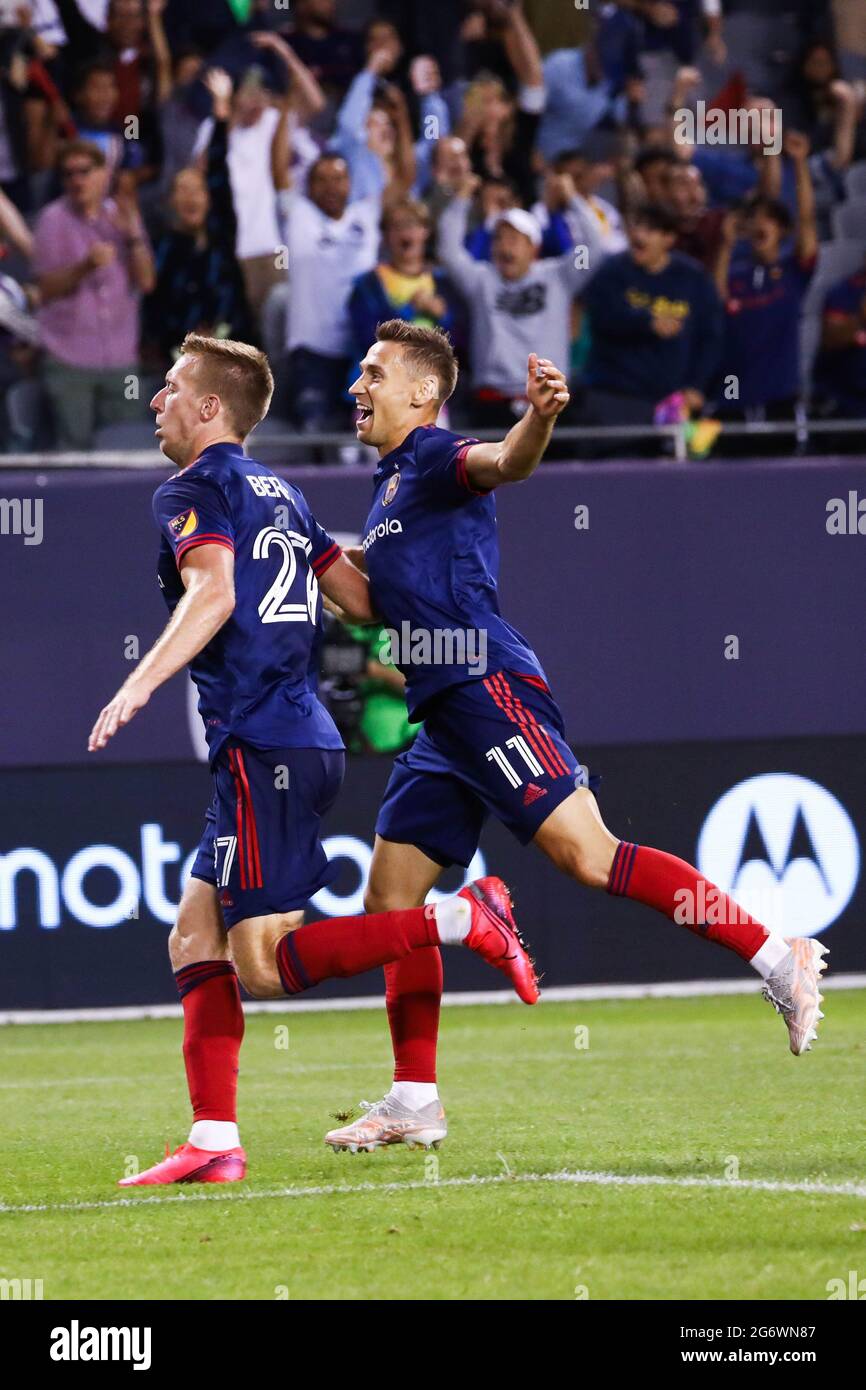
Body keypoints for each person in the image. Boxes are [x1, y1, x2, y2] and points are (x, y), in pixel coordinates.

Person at [322, 318, 828, 1153]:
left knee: (590, 856)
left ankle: (778, 956)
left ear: (424, 393)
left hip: (486, 687)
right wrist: (305, 545)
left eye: (374, 374)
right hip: (440, 713)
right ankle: (415, 1100)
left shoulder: (440, 456)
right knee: (390, 903)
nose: (356, 387)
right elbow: (371, 605)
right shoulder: (386, 490)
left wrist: (542, 419)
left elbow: (507, 462)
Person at [87, 331, 538, 1185]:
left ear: (211, 407)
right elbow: (365, 603)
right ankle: (214, 1141)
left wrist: (140, 683)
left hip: (266, 746)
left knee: (263, 965)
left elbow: (214, 591)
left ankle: (462, 917)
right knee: (195, 937)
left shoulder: (190, 491)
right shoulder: (284, 494)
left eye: (171, 387)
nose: (155, 400)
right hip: (291, 739)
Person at [437, 169, 603, 428]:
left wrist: (571, 199)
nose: (504, 246)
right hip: (492, 404)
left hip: (550, 400)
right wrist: (462, 198)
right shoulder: (481, 280)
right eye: (498, 239)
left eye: (514, 239)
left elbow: (595, 247)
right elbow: (448, 251)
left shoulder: (558, 276)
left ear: (533, 247)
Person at [32, 137, 155, 447]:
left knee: (126, 450)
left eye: (84, 171)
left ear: (104, 174)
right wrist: (85, 266)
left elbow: (147, 282)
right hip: (69, 360)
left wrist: (133, 237)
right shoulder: (51, 221)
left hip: (121, 360)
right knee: (75, 455)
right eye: (68, 174)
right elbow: (46, 288)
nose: (76, 180)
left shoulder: (122, 216)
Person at [580, 200, 722, 429]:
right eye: (636, 227)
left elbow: (711, 338)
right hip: (614, 396)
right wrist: (646, 322)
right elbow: (600, 317)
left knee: (672, 465)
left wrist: (697, 385)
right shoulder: (612, 272)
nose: (638, 235)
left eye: (650, 229)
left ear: (669, 238)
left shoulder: (693, 278)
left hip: (672, 401)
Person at [713, 131, 818, 434]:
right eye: (754, 218)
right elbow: (718, 302)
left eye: (768, 219)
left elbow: (808, 220)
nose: (760, 224)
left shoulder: (794, 272)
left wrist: (799, 164)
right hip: (731, 399)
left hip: (780, 397)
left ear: (783, 230)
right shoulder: (734, 275)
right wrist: (725, 245)